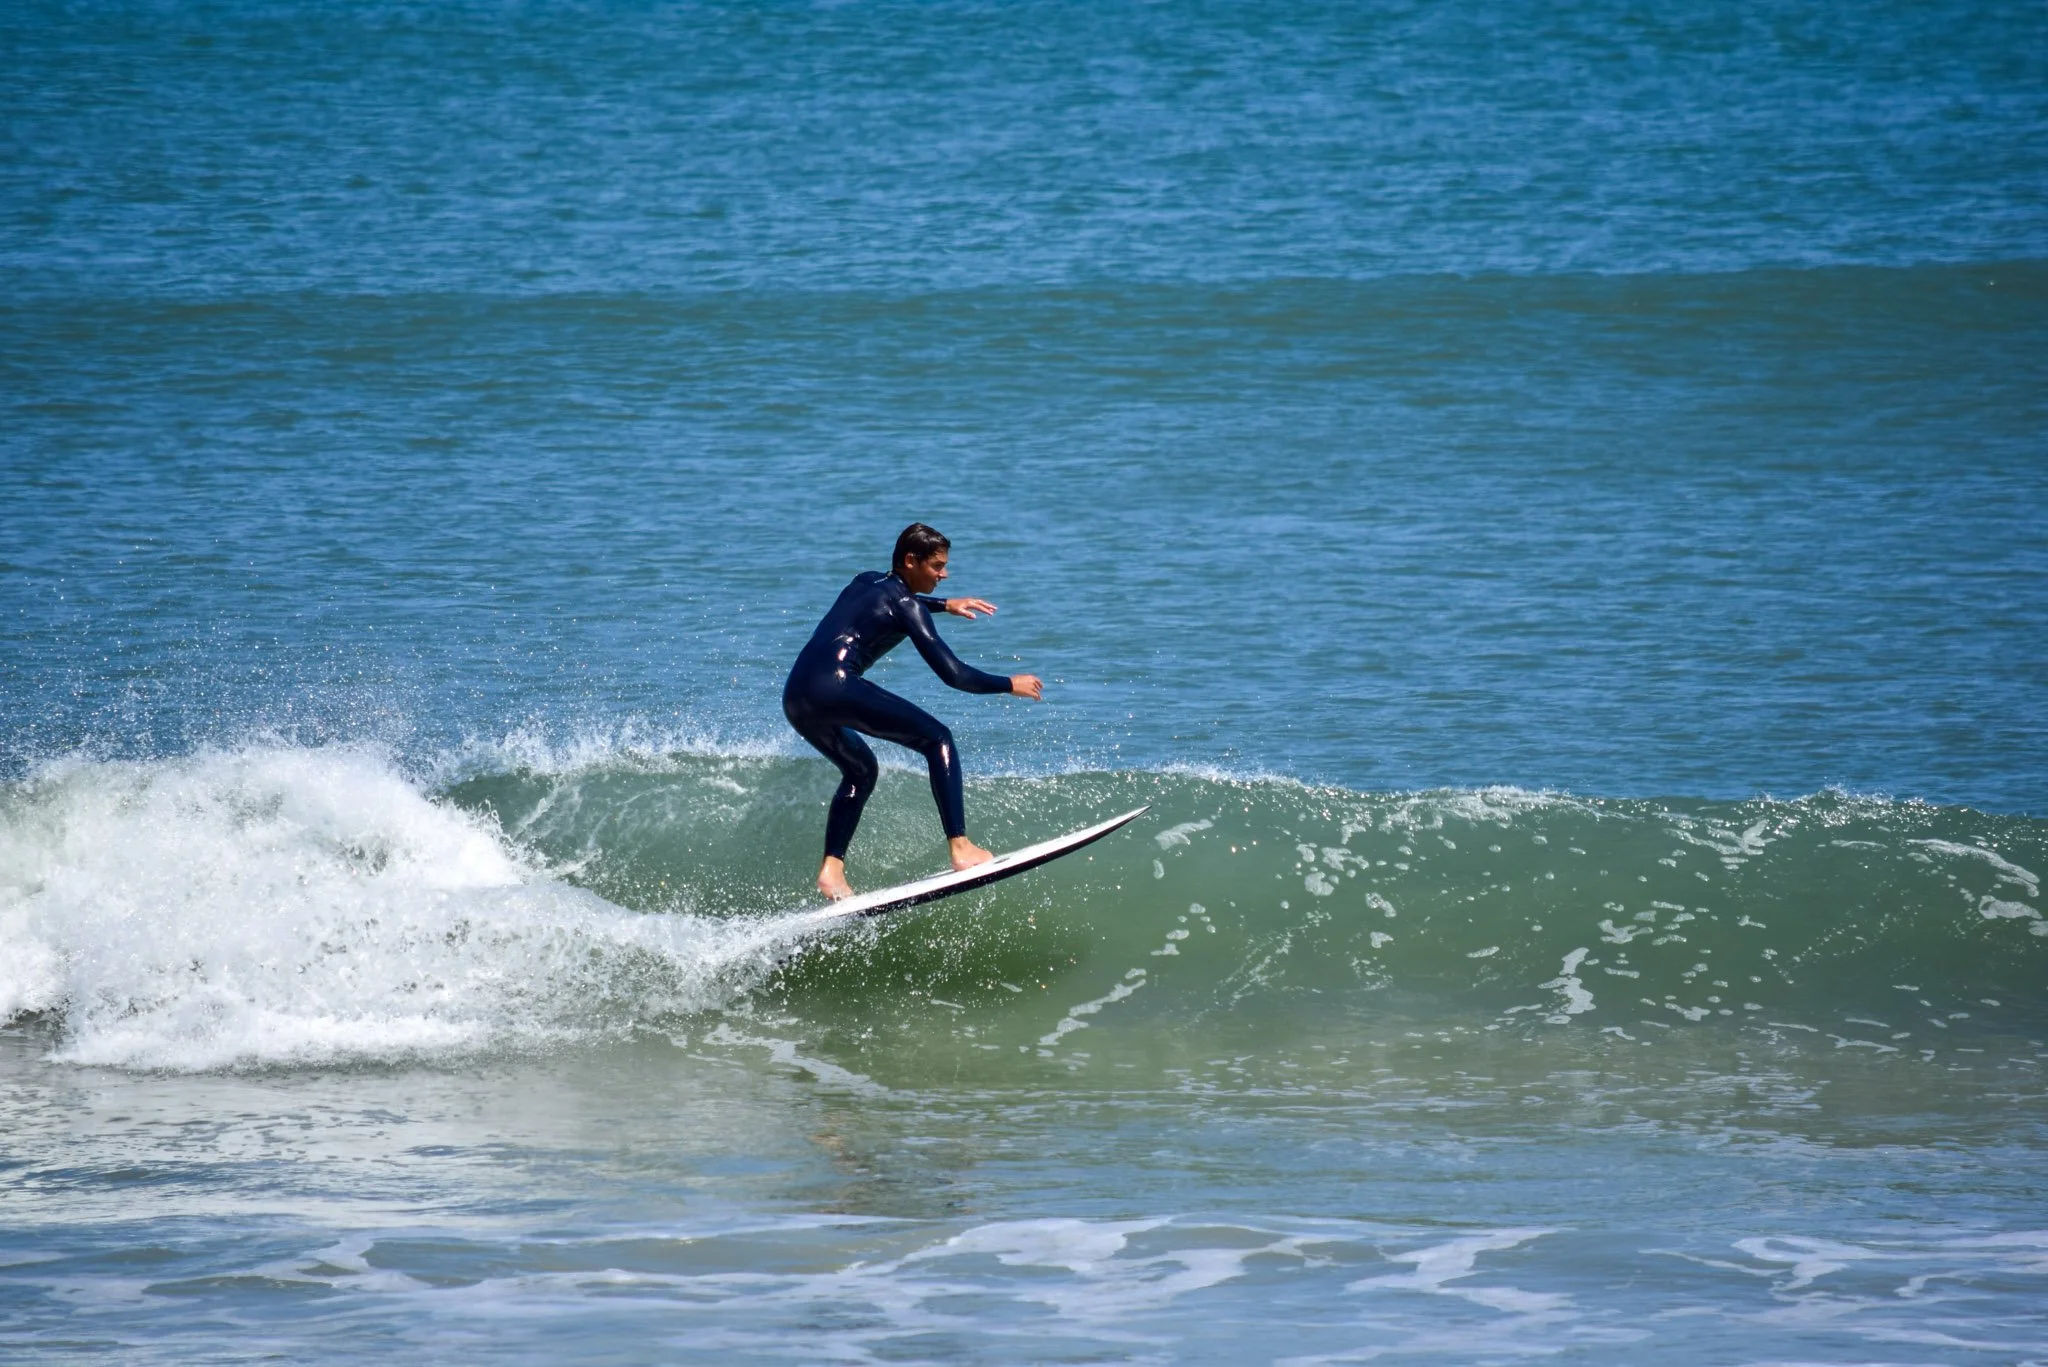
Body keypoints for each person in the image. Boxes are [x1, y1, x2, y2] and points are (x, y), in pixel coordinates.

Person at [783, 523, 1044, 899]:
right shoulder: (908, 607)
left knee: (861, 770)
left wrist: (945, 604)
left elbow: (891, 603)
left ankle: (832, 870)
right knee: (938, 739)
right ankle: (961, 847)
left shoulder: (865, 580)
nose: (944, 574)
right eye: (937, 566)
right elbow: (954, 674)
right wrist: (1008, 683)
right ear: (910, 560)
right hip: (837, 685)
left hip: (797, 695)